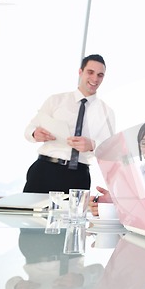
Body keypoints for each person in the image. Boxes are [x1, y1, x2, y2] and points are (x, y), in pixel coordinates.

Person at [23, 54, 115, 194]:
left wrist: (92, 145)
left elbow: (110, 150)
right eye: (90, 72)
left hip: (78, 176)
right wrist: (35, 133)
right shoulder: (55, 100)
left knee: (73, 216)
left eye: (100, 75)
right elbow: (29, 130)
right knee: (30, 214)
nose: (95, 79)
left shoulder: (106, 112)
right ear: (80, 72)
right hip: (44, 170)